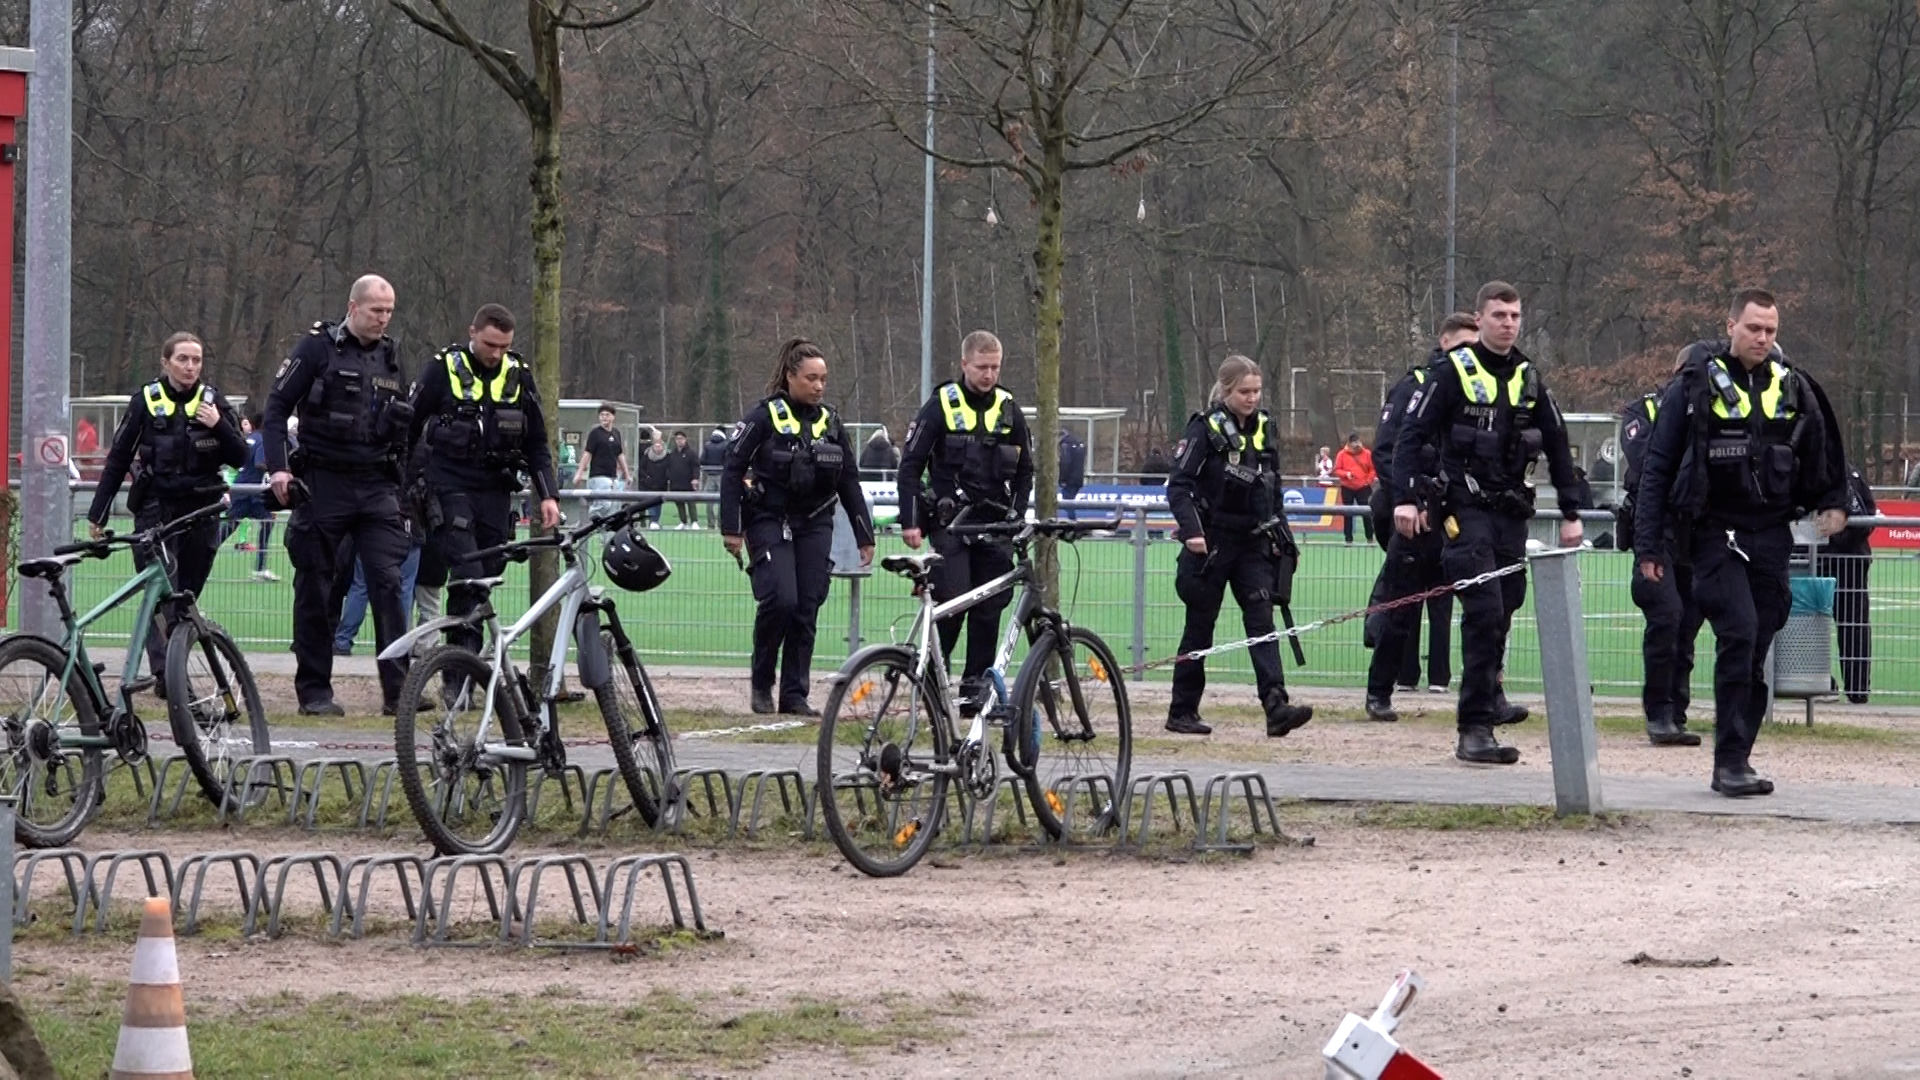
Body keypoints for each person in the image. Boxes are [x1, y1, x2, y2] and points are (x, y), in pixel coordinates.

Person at [1633, 288, 1850, 797]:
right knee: (1740, 631)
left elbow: (1824, 450)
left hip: (1771, 534)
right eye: (1753, 327)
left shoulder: (1793, 386)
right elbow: (1657, 469)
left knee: (1757, 642)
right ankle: (1727, 763)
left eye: (1771, 330)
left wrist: (1834, 503)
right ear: (1730, 325)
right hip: (1713, 535)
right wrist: (1648, 547)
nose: (1762, 337)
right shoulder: (1693, 387)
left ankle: (1739, 756)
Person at [1395, 281, 1585, 765]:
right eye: (1499, 315)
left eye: (1515, 316)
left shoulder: (1529, 377)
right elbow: (1410, 435)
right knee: (1483, 611)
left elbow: (1559, 445)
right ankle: (1473, 728)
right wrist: (1407, 498)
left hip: (1511, 515)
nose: (1508, 323)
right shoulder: (1451, 372)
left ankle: (1487, 705)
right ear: (1478, 320)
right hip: (1462, 510)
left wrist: (1570, 511)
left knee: (1503, 611)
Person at [265, 274, 415, 717]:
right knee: (317, 584)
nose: (383, 319)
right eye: (375, 311)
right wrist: (278, 468)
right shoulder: (316, 348)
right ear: (353, 307)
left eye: (389, 312)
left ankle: (398, 693)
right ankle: (315, 691)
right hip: (324, 481)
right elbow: (275, 408)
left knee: (388, 584)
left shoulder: (392, 356)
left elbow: (403, 423)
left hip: (376, 484)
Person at [1163, 355, 1315, 738]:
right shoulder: (1204, 429)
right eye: (1244, 392)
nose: (1252, 398)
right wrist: (1192, 532)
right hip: (1212, 541)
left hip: (1253, 541)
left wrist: (1284, 539)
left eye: (1257, 391)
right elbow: (1179, 485)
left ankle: (1275, 705)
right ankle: (1182, 710)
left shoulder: (1266, 427)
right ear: (1227, 390)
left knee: (1261, 619)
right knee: (1200, 626)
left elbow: (1273, 486)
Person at [721, 339, 875, 715]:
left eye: (823, 379)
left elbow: (849, 481)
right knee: (781, 599)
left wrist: (863, 535)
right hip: (768, 519)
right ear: (791, 377)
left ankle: (794, 694)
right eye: (811, 378)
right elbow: (731, 471)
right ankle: (762, 683)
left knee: (807, 604)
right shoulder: (762, 417)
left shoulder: (831, 422)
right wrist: (732, 527)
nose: (819, 386)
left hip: (815, 522)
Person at [86, 332, 248, 685]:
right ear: (166, 362)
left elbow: (242, 456)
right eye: (183, 359)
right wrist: (97, 513)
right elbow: (118, 459)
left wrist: (218, 426)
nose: (190, 367)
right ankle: (168, 677)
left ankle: (173, 667)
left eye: (196, 360)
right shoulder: (144, 401)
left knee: (185, 597)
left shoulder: (213, 402)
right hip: (155, 509)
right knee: (159, 595)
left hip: (201, 511)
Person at [407, 303, 561, 660]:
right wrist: (405, 485)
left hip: (495, 491)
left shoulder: (518, 375)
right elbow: (409, 426)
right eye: (490, 344)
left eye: (504, 346)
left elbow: (537, 442)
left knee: (487, 577)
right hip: (449, 486)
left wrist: (548, 495)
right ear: (472, 332)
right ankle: (459, 671)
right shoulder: (442, 369)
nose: (496, 353)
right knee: (469, 575)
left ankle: (465, 665)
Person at [896, 330, 1035, 712]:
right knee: (953, 600)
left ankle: (975, 690)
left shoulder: (1008, 408)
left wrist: (1016, 517)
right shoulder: (941, 404)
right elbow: (909, 467)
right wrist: (912, 521)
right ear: (964, 365)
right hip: (951, 523)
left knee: (990, 606)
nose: (989, 375)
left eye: (995, 367)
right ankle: (930, 680)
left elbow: (1026, 472)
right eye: (981, 367)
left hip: (994, 524)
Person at [1361, 313, 1476, 722]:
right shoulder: (1415, 386)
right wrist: (1409, 502)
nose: (1470, 355)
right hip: (1417, 516)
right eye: (1462, 346)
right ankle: (1380, 692)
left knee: (1484, 608)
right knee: (1400, 607)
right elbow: (1387, 451)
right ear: (1444, 343)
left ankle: (1481, 696)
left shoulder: (1479, 393)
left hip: (1460, 518)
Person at [1618, 353, 1706, 746]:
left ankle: (1677, 711)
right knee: (1666, 617)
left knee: (1688, 623)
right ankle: (1658, 711)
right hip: (1654, 530)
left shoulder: (1710, 412)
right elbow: (1648, 461)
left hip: (1696, 531)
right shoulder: (1642, 411)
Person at [1819, 468, 1875, 703]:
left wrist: (1835, 539)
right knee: (1851, 624)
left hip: (1836, 560)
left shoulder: (1844, 474)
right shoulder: (1849, 472)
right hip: (1843, 558)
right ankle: (1849, 687)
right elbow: (1868, 515)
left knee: (1851, 624)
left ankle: (1854, 687)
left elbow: (1865, 517)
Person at [573, 404, 629, 520]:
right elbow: (587, 453)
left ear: (613, 417)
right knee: (604, 504)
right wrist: (579, 473)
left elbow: (620, 454)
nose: (604, 417)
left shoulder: (616, 433)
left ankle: (607, 536)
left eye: (607, 415)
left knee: (613, 509)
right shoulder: (595, 433)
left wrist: (627, 474)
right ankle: (590, 517)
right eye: (602, 415)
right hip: (598, 476)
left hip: (613, 477)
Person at [1334, 431, 1376, 543]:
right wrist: (1345, 474)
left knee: (1366, 513)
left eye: (1357, 442)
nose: (1356, 444)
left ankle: (1369, 537)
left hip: (1363, 487)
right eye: (1354, 442)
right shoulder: (1341, 454)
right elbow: (1337, 469)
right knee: (1347, 514)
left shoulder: (1367, 453)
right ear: (1349, 443)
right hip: (1347, 487)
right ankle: (1348, 538)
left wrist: (1368, 481)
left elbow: (1372, 469)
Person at [665, 431, 700, 528]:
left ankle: (694, 521)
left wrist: (695, 478)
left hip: (688, 483)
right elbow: (669, 467)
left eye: (681, 439)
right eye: (677, 439)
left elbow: (696, 466)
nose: (679, 441)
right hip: (676, 483)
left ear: (685, 439)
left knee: (691, 503)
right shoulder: (672, 454)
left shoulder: (691, 453)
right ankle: (683, 521)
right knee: (679, 503)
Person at [638, 433, 670, 527]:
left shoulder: (667, 456)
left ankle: (656, 520)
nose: (657, 447)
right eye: (655, 445)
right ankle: (652, 521)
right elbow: (641, 468)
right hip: (649, 484)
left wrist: (666, 478)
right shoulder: (647, 455)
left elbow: (669, 468)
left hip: (661, 484)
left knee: (659, 503)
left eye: (659, 445)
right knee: (650, 502)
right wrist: (646, 477)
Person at [700, 427, 728, 528]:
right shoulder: (726, 445)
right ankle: (721, 524)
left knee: (709, 501)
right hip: (722, 475)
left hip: (710, 475)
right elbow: (728, 459)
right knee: (723, 501)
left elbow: (702, 460)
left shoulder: (707, 445)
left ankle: (710, 524)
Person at [1058, 426, 1088, 502]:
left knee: (1067, 503)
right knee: (1071, 503)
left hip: (1069, 480)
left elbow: (1066, 462)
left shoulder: (1066, 445)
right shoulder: (1078, 444)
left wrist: (1062, 479)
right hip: (1078, 479)